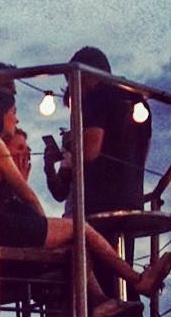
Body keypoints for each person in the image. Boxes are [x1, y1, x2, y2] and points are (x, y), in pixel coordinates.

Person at [0, 88, 171, 317]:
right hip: (1, 230)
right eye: (13, 111)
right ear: (0, 114)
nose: (16, 118)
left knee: (75, 244)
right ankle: (138, 280)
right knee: (79, 228)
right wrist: (43, 225)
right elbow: (28, 196)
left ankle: (99, 303)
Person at [54, 46, 153, 218]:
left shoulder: (96, 96)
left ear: (83, 76)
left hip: (99, 202)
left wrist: (71, 143)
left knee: (96, 245)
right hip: (133, 198)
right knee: (120, 245)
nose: (71, 86)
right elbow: (144, 151)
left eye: (70, 79)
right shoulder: (138, 101)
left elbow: (90, 150)